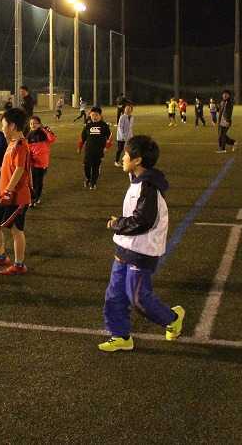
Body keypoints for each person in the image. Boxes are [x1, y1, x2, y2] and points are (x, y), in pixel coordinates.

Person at [98, 135, 185, 352]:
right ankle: (120, 335)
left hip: (142, 250)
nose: (123, 158)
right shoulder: (138, 179)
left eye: (126, 155)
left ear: (137, 161)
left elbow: (143, 221)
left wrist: (117, 224)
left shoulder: (148, 187)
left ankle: (173, 318)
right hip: (125, 246)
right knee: (115, 293)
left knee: (138, 298)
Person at [0, 107, 32, 276]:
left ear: (12, 126)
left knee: (16, 230)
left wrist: (9, 190)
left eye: (4, 124)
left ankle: (19, 265)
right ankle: (1, 257)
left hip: (16, 196)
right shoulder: (12, 142)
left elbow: (19, 169)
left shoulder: (21, 145)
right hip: (4, 194)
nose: (2, 127)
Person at [78, 106, 113, 190]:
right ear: (90, 115)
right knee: (86, 166)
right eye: (93, 115)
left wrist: (106, 147)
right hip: (88, 151)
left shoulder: (104, 126)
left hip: (99, 151)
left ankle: (93, 183)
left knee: (95, 167)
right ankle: (88, 178)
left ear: (100, 116)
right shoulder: (88, 126)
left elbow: (110, 138)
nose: (94, 117)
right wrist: (79, 147)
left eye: (96, 115)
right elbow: (82, 138)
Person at [26, 115, 56, 207]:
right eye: (31, 123)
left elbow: (52, 139)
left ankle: (36, 198)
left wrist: (46, 130)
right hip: (33, 162)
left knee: (38, 181)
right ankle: (33, 197)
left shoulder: (43, 133)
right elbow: (28, 148)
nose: (33, 125)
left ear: (39, 124)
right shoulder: (29, 135)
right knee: (33, 181)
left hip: (42, 163)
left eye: (35, 123)